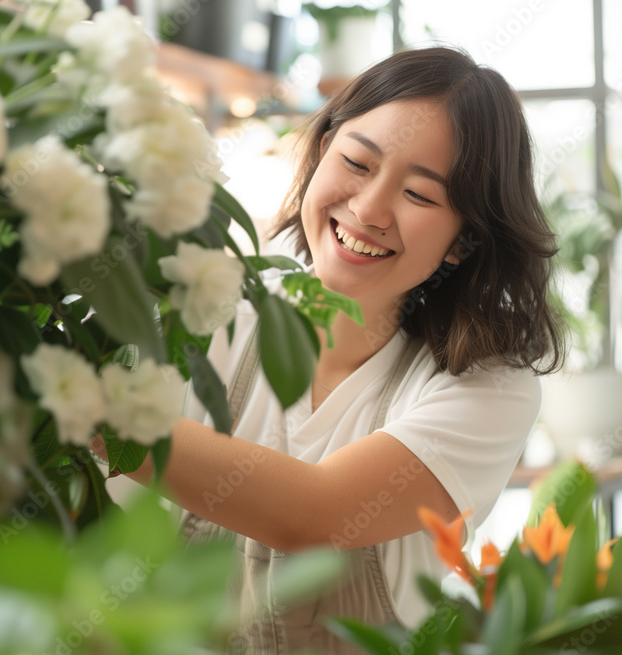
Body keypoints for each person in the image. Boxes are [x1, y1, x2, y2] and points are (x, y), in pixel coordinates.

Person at [91, 45, 565, 652]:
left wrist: (79, 406)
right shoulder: (206, 306)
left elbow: (314, 515)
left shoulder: (485, 384)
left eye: (420, 196)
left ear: (463, 242)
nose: (368, 210)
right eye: (358, 164)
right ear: (320, 154)